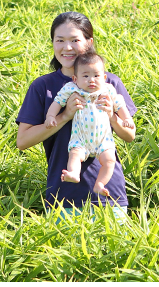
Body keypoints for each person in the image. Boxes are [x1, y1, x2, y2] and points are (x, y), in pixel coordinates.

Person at [16, 12, 136, 218]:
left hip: (109, 193)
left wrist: (111, 116)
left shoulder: (109, 83)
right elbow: (23, 141)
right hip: (63, 194)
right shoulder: (42, 86)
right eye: (60, 40)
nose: (67, 47)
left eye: (75, 40)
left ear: (89, 42)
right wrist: (64, 116)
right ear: (53, 43)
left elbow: (129, 135)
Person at [44, 52, 135, 197]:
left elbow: (120, 105)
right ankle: (74, 173)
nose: (91, 80)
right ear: (75, 79)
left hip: (103, 139)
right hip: (81, 138)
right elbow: (57, 102)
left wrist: (126, 119)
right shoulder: (72, 89)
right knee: (75, 154)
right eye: (85, 76)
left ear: (104, 78)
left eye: (96, 76)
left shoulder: (108, 90)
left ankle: (100, 184)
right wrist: (50, 116)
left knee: (110, 159)